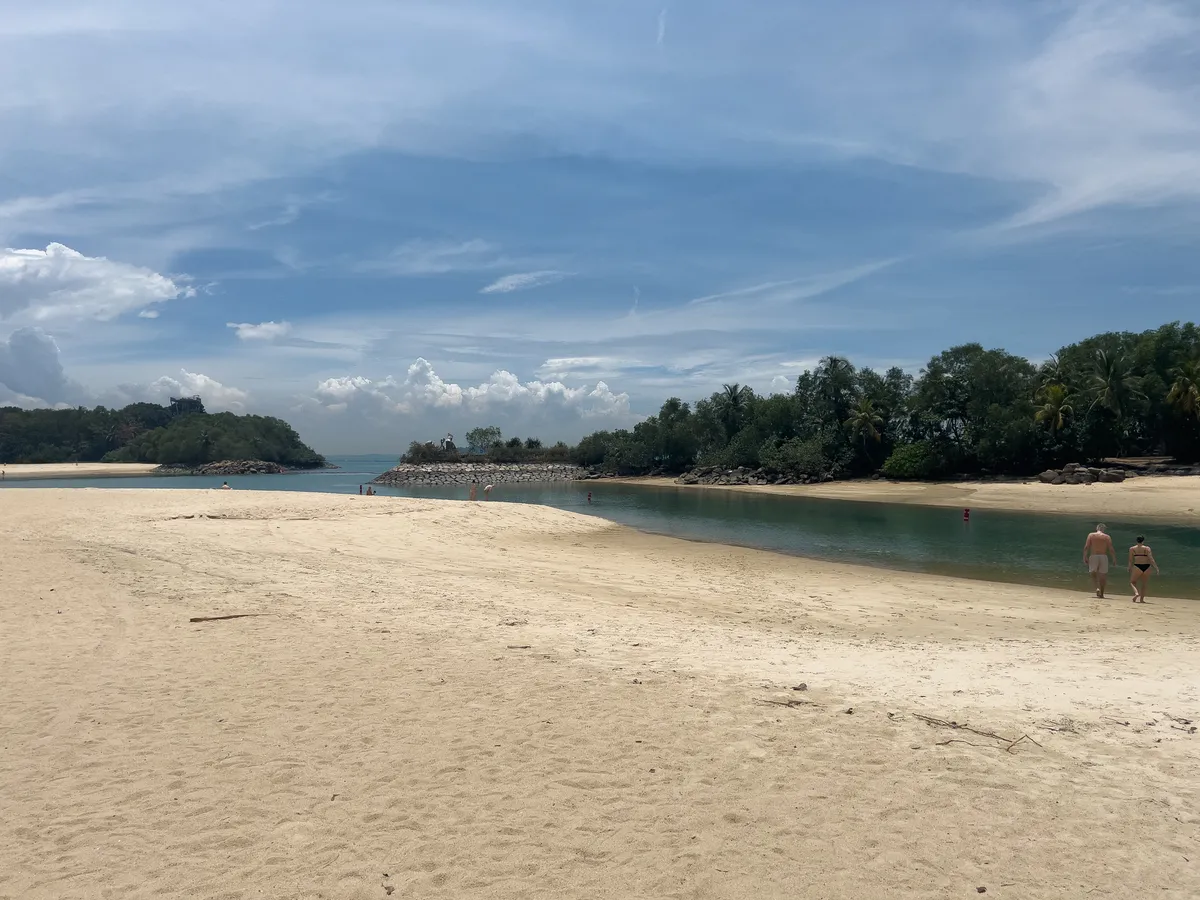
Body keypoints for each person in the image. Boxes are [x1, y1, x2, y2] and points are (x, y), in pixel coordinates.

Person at [1083, 524, 1116, 598]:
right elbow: (1111, 549)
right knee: (1103, 576)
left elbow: (1086, 547)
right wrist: (1114, 558)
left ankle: (1097, 588)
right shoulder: (1107, 537)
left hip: (1094, 556)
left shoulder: (1091, 535)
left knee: (1092, 573)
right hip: (1103, 556)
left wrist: (1085, 556)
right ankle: (1102, 594)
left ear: (1097, 528)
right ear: (1103, 529)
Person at [1127, 535, 1160, 603]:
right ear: (1143, 541)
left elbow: (1130, 560)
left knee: (1132, 582)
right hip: (1147, 566)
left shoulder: (1132, 549)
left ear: (1136, 541)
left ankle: (1136, 593)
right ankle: (1142, 600)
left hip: (1137, 566)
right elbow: (1151, 559)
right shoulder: (1147, 548)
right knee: (1144, 584)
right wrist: (1156, 568)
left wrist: (1129, 567)